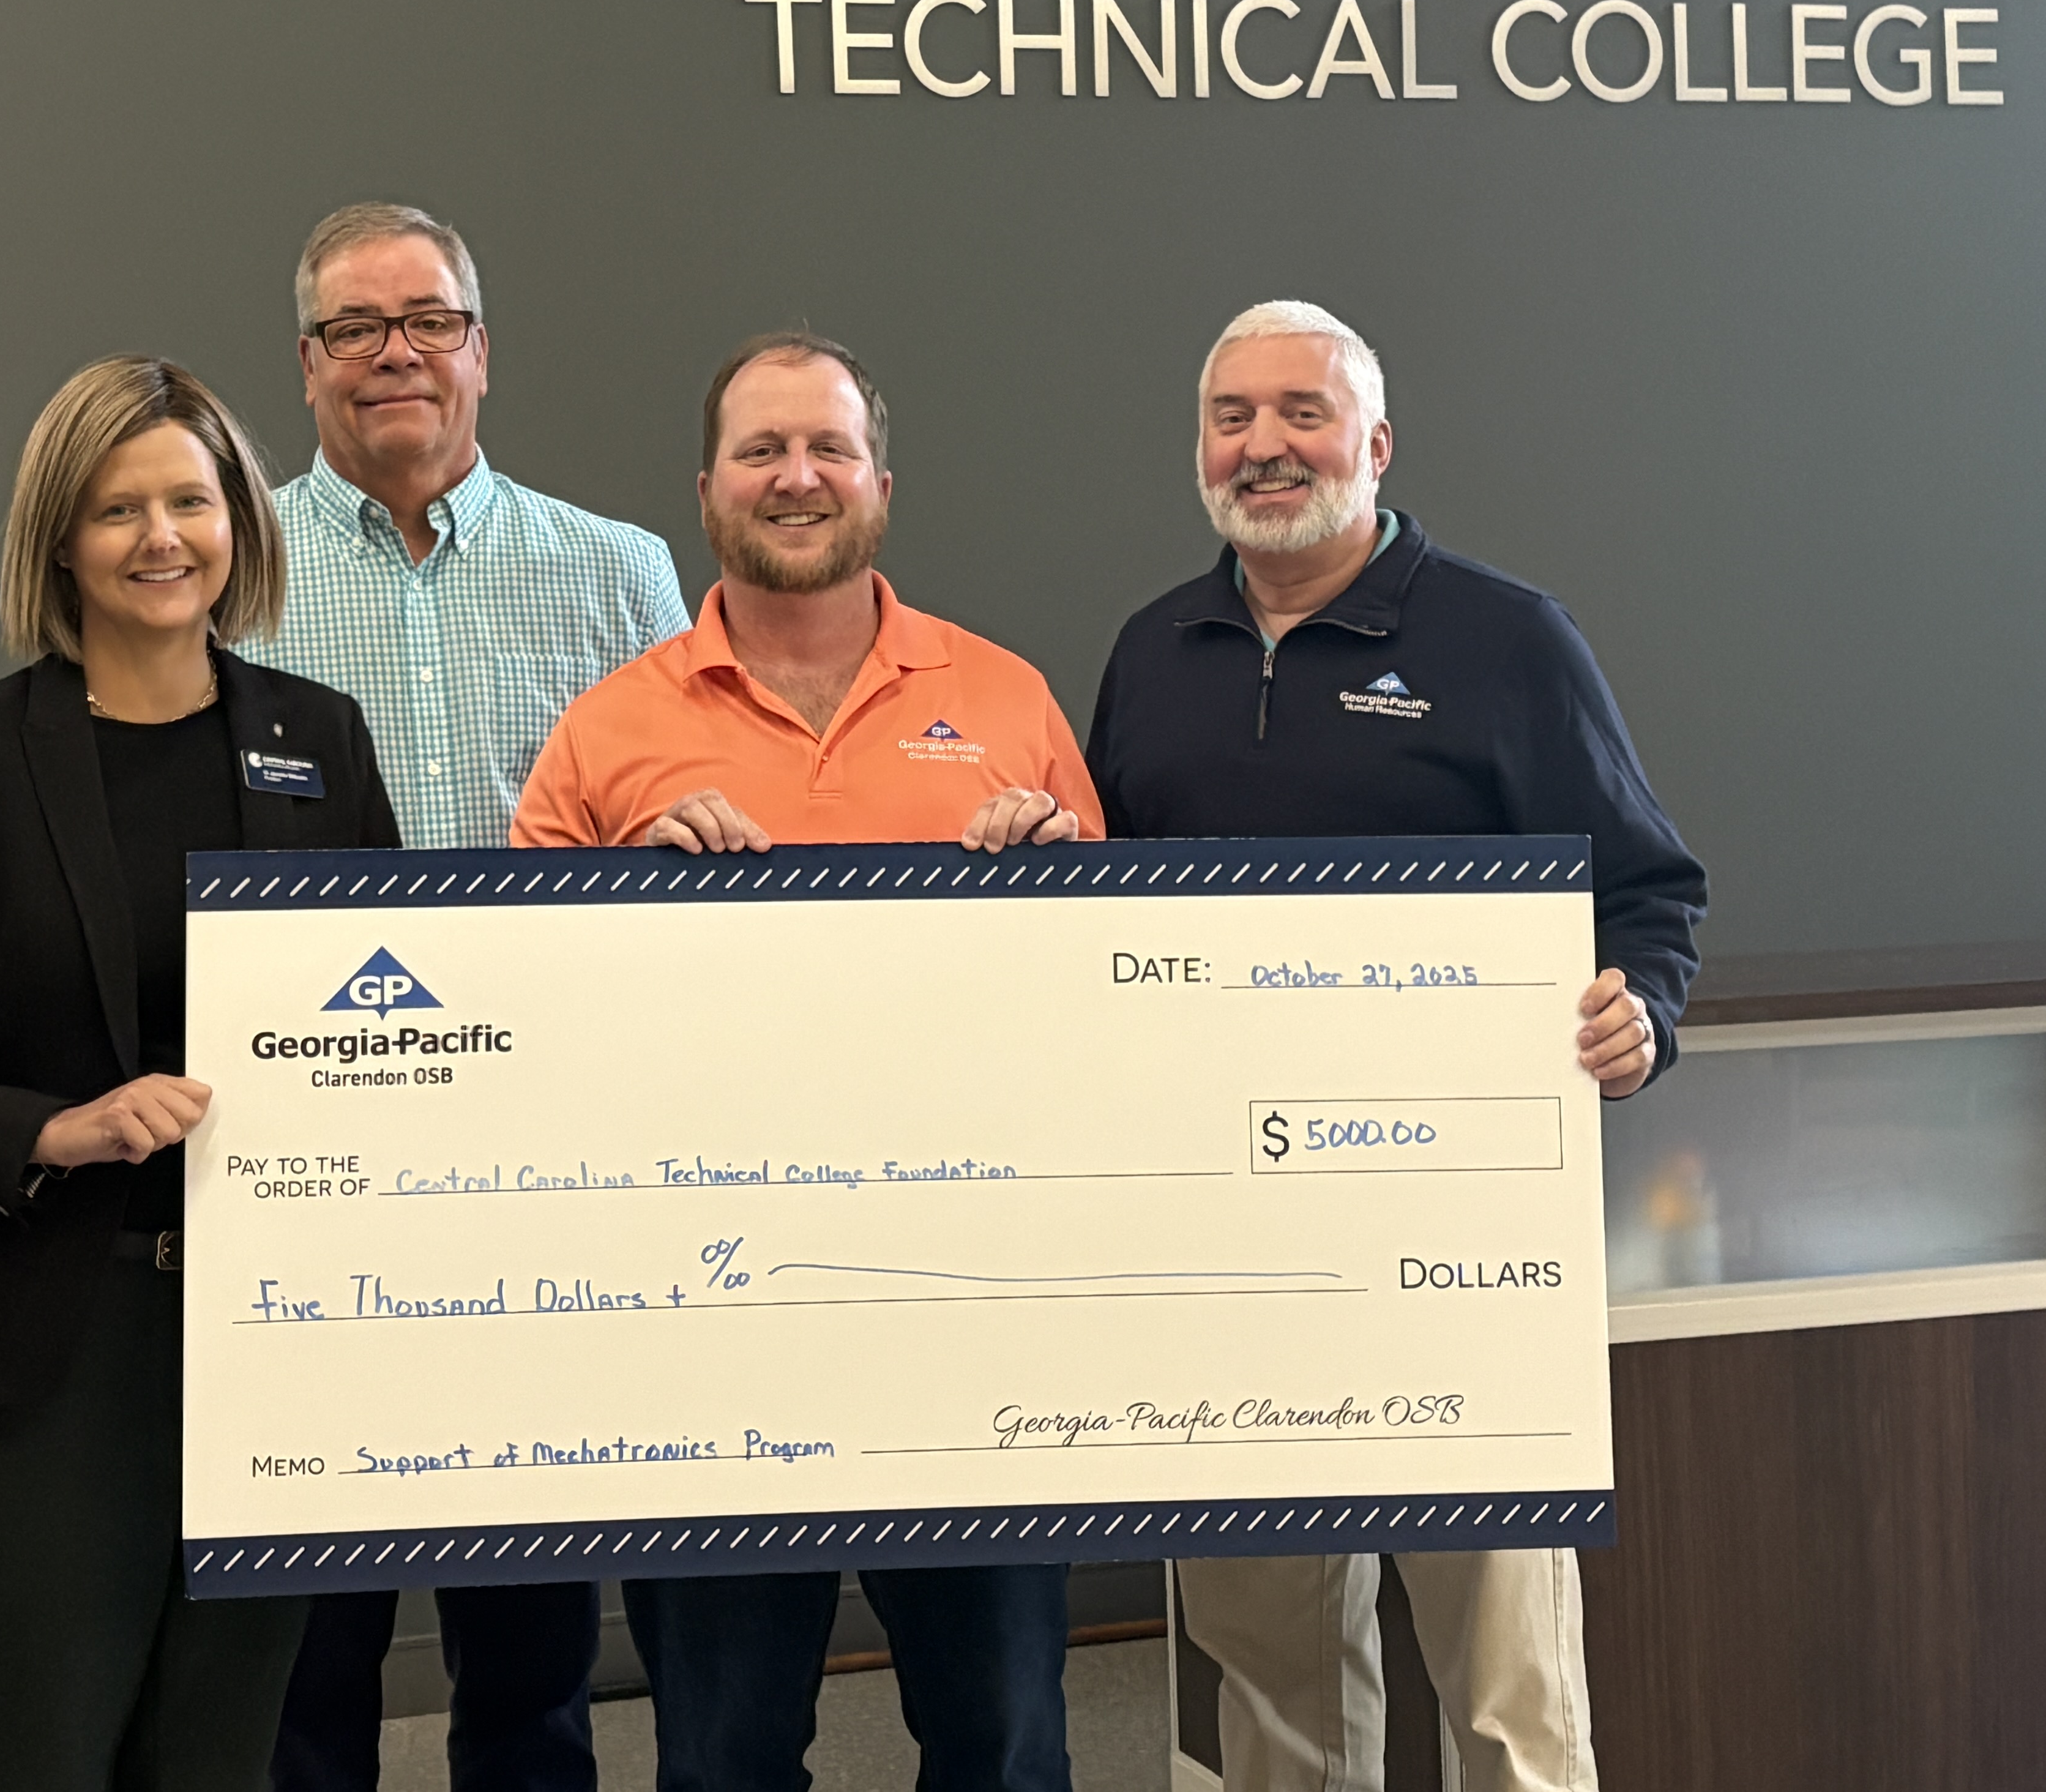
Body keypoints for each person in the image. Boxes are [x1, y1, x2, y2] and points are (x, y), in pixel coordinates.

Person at [1085, 302, 1708, 1792]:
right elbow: (1097, 924)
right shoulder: (1152, 651)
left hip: (1461, 1250)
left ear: (1374, 443)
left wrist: (1642, 1012)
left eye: (1301, 411)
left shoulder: (1505, 640)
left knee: (1505, 1689)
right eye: (1232, 416)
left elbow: (1647, 888)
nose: (1265, 444)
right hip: (1228, 1250)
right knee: (1277, 1690)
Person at [0, 357, 401, 1792]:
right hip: (41, 1355)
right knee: (49, 1759)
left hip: (270, 1350)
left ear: (241, 522)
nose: (160, 539)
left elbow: (397, 1040)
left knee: (221, 1762)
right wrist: (50, 1132)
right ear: (58, 540)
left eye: (190, 500)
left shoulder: (317, 737)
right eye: (117, 508)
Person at [512, 332, 1097, 1792]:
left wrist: (1069, 880)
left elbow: (1111, 1008)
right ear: (705, 489)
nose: (797, 476)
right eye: (763, 450)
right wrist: (614, 899)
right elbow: (522, 1030)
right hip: (708, 1330)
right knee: (722, 1752)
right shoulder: (610, 729)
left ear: (880, 482)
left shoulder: (1008, 698)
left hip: (971, 1323)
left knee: (1008, 1740)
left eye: (827, 448)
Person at [241, 203, 690, 1792]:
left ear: (480, 350)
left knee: (531, 1648)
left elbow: (677, 850)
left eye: (426, 319)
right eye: (356, 329)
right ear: (306, 365)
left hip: (542, 1186)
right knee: (309, 1647)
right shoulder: (232, 575)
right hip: (311, 1181)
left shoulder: (620, 574)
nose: (395, 354)